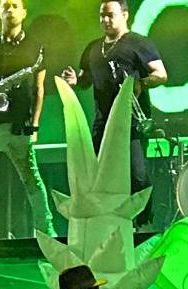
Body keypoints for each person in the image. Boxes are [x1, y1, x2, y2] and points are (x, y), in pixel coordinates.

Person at [61, 0, 167, 227]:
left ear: (125, 15)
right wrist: (75, 81)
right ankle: (110, 225)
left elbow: (161, 74)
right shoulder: (93, 48)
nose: (105, 20)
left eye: (110, 15)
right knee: (100, 177)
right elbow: (85, 80)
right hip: (103, 123)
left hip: (132, 123)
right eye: (102, 15)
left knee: (137, 175)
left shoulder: (139, 43)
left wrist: (141, 83)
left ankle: (144, 225)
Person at [0, 0, 55, 241]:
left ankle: (46, 232)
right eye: (5, 6)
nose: (10, 10)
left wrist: (34, 124)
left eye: (15, 6)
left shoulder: (36, 48)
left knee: (32, 180)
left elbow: (39, 88)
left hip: (17, 125)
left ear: (24, 12)